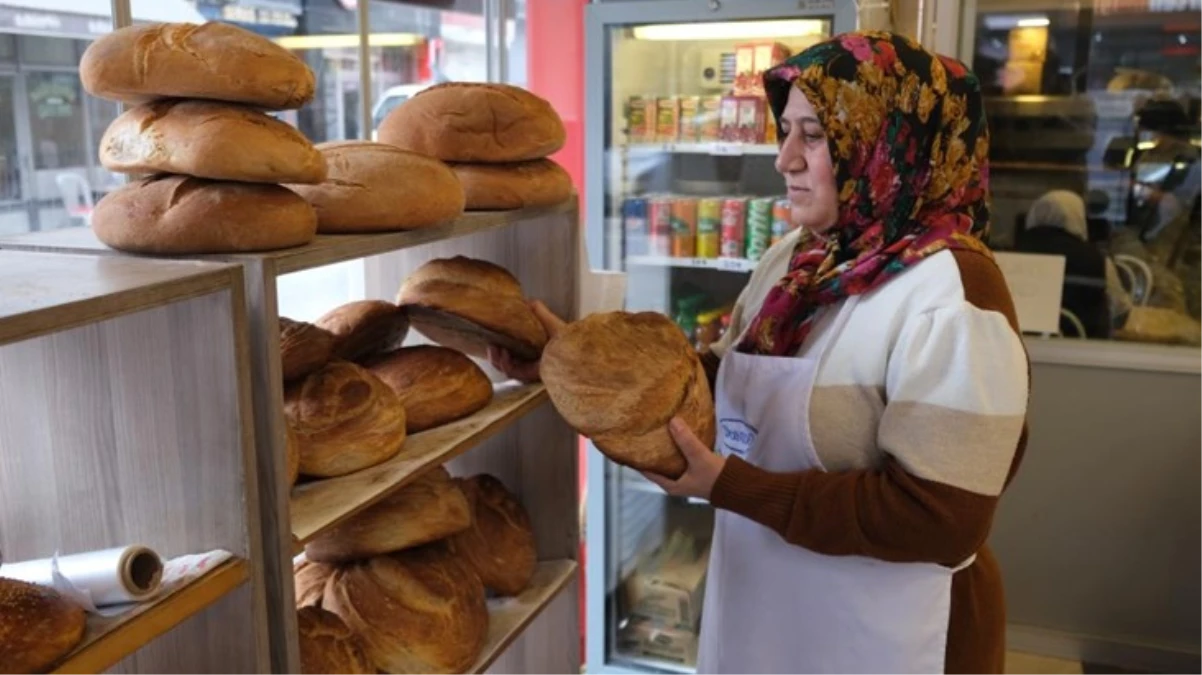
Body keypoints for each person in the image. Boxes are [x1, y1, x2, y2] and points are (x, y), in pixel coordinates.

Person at [491, 31, 1029, 675]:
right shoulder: (800, 260)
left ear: (890, 145)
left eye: (815, 135)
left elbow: (942, 519)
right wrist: (576, 363)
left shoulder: (953, 292)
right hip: (769, 611)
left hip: (888, 632)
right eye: (787, 130)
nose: (784, 160)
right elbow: (717, 382)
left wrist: (734, 487)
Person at [1018, 190, 1133, 336]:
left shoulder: (1012, 256)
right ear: (1078, 216)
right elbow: (1120, 311)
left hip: (1024, 350)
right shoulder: (1097, 260)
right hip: (1082, 353)